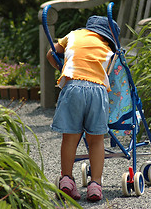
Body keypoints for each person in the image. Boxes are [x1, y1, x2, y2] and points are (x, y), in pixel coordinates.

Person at [46, 15, 120, 202]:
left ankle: (67, 180)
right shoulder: (109, 48)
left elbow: (50, 53)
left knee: (70, 138)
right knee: (96, 141)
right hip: (97, 90)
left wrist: (61, 66)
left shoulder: (73, 35)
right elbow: (110, 73)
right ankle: (95, 184)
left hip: (73, 88)